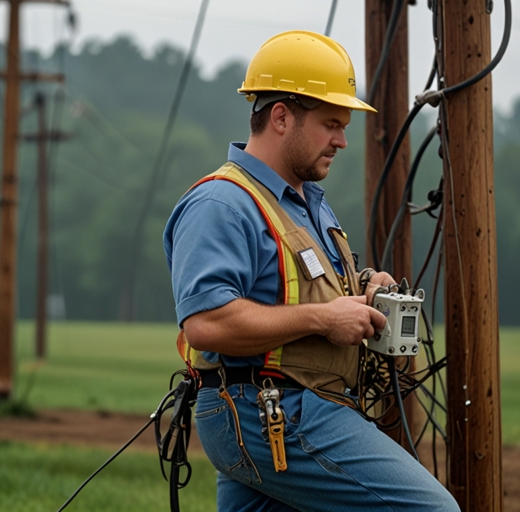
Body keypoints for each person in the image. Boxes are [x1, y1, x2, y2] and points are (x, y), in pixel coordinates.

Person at [163, 30, 459, 512]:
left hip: (285, 410)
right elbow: (206, 323)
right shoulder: (223, 203)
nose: (342, 140)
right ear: (281, 117)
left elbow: (301, 292)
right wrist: (324, 319)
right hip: (271, 412)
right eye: (330, 124)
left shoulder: (307, 204)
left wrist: (365, 291)